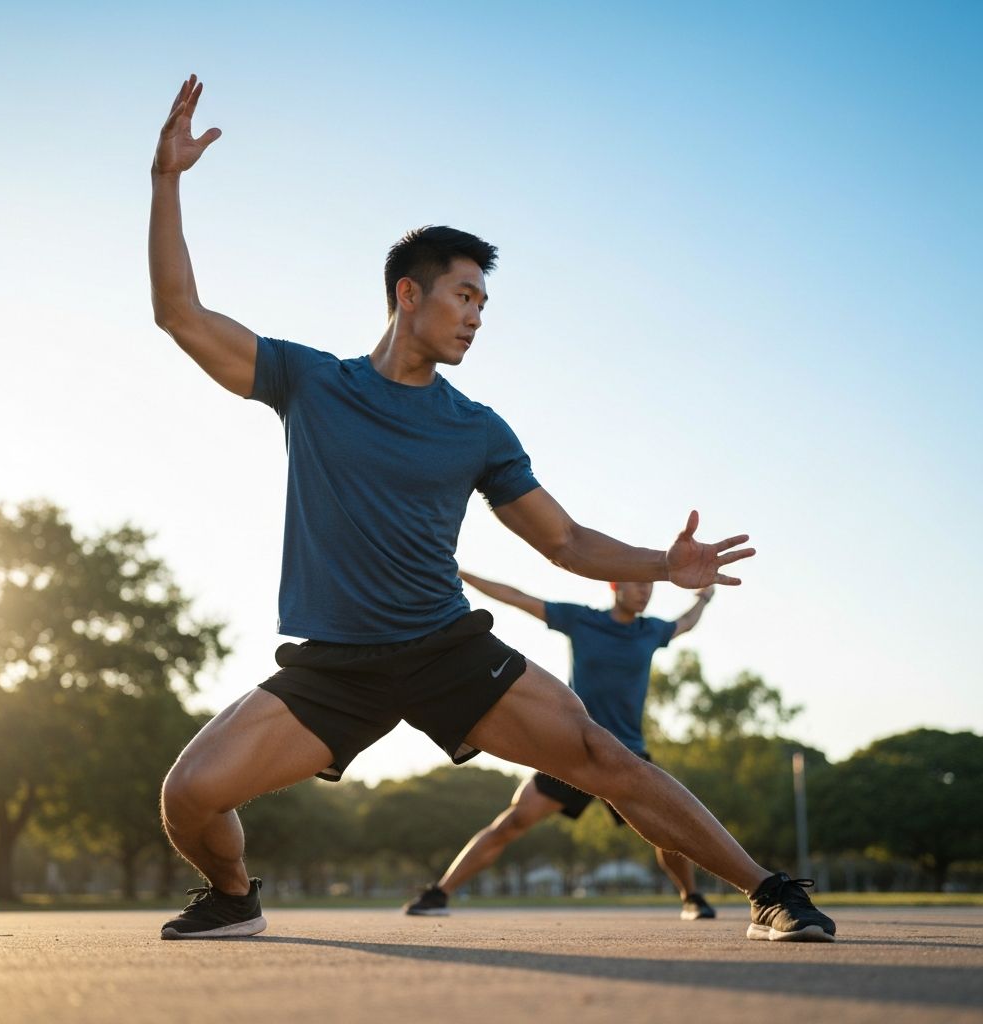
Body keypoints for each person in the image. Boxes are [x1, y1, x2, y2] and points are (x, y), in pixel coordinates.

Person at [149, 75, 836, 944]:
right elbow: (179, 313)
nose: (476, 317)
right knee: (188, 796)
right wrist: (166, 181)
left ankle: (770, 891)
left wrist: (662, 566)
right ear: (409, 294)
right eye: (464, 296)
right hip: (336, 665)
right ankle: (233, 896)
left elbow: (565, 540)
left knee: (605, 757)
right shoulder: (310, 383)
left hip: (445, 649)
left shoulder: (476, 429)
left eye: (483, 303)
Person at [405, 575, 719, 920]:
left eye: (650, 585)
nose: (645, 591)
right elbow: (517, 595)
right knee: (513, 821)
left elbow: (686, 622)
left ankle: (691, 896)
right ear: (615, 586)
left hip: (626, 754)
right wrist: (458, 574)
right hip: (573, 749)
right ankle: (440, 893)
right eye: (637, 583)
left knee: (666, 829)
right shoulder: (581, 619)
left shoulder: (652, 630)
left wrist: (704, 598)